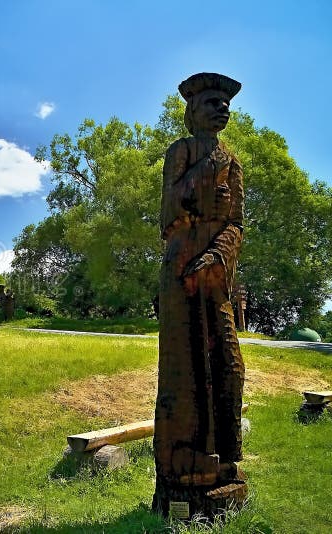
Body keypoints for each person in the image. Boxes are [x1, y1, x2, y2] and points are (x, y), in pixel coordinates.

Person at [153, 73, 246, 508]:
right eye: (212, 101)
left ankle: (227, 456)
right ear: (192, 111)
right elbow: (170, 210)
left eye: (225, 104)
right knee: (185, 368)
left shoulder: (234, 162)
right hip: (181, 269)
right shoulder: (181, 151)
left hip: (215, 275)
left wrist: (219, 256)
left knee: (228, 364)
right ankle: (180, 461)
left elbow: (237, 224)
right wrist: (206, 170)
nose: (221, 109)